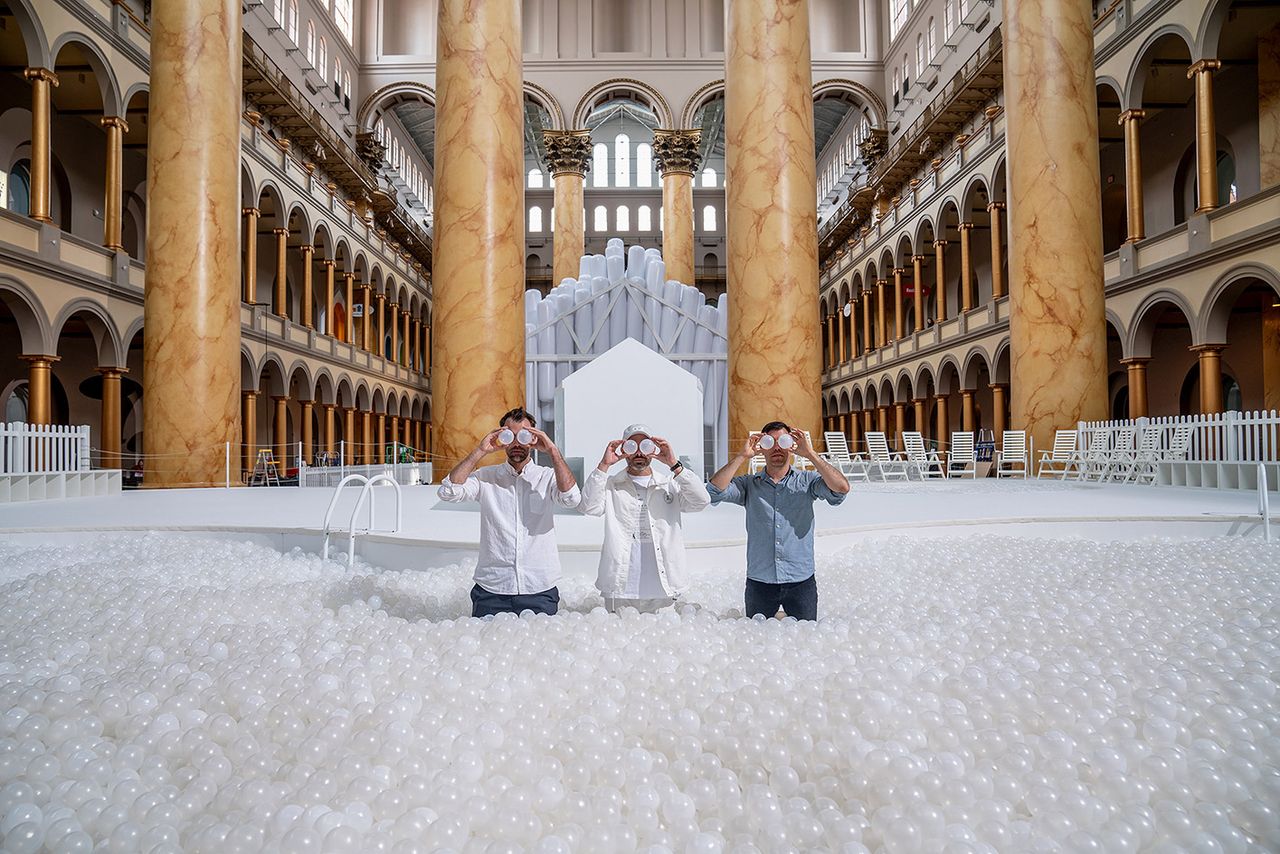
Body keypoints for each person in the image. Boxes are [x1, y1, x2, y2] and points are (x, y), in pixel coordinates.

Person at [437, 407, 580, 617]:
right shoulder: (486, 477)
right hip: (492, 589)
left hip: (539, 588)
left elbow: (572, 498)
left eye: (523, 435)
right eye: (509, 436)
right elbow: (448, 492)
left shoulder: (547, 477)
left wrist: (552, 450)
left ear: (533, 439)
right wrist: (480, 451)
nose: (516, 443)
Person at [707, 421, 850, 621]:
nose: (776, 448)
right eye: (769, 442)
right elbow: (714, 492)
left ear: (790, 446)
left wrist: (810, 454)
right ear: (761, 447)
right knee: (757, 643)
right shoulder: (750, 484)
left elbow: (841, 488)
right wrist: (742, 456)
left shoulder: (807, 481)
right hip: (760, 582)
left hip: (800, 580)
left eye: (782, 441)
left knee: (805, 641)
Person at [580, 424, 710, 612]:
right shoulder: (611, 485)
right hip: (621, 586)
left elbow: (702, 500)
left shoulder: (669, 484)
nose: (639, 453)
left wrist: (674, 464)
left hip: (663, 587)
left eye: (646, 446)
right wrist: (604, 465)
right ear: (624, 450)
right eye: (632, 446)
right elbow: (588, 507)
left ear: (654, 449)